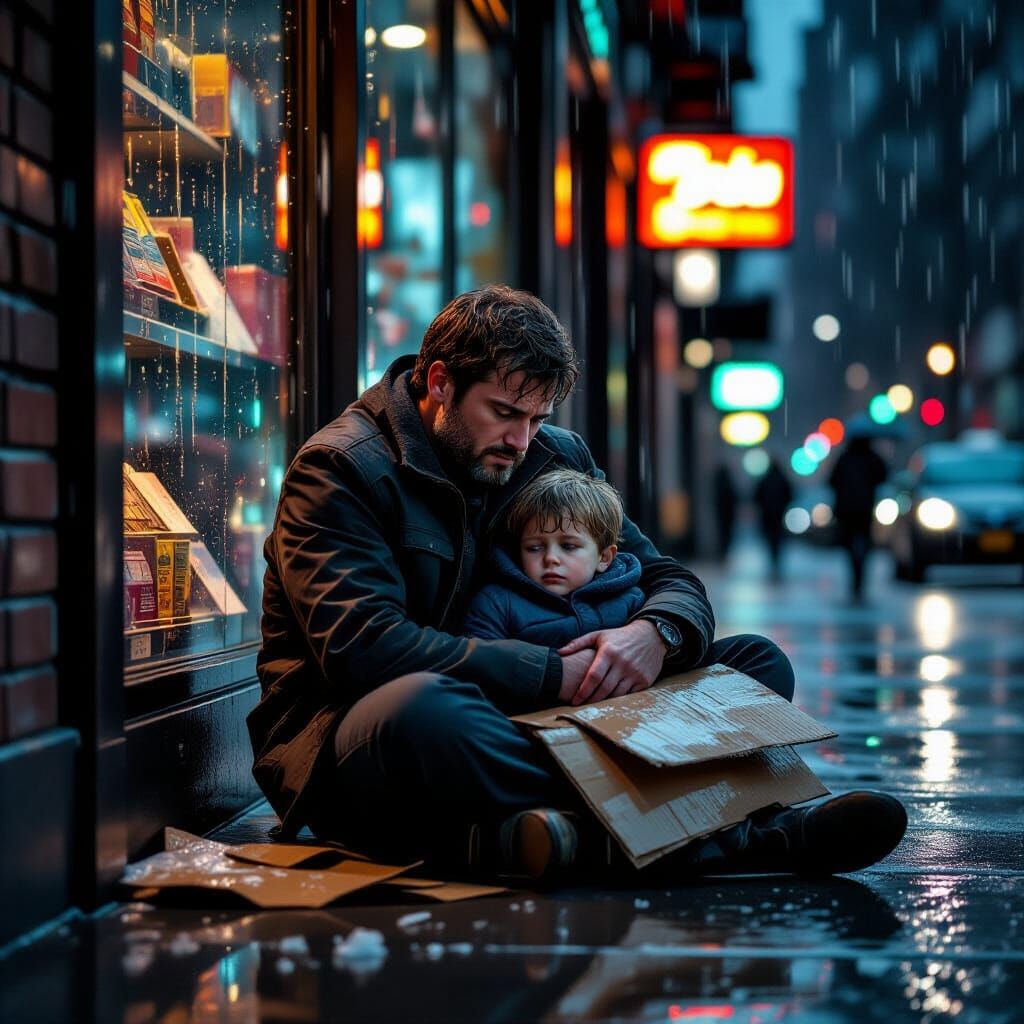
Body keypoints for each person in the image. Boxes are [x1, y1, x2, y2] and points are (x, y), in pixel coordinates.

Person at [248, 285, 906, 880]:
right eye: (505, 412)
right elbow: (365, 650)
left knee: (755, 663)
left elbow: (665, 576)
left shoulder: (553, 455)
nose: (521, 440)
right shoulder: (339, 468)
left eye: (536, 418)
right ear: (440, 382)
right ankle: (750, 839)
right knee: (420, 710)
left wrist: (655, 634)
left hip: (552, 719)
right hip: (357, 739)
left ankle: (540, 838)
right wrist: (551, 675)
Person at [461, 468, 645, 651]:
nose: (550, 558)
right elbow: (480, 659)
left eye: (568, 546)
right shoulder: (497, 603)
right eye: (534, 548)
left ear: (604, 557)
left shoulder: (631, 600)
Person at [828, 435, 889, 599]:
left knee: (850, 547)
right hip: (864, 510)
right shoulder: (872, 458)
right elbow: (884, 475)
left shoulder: (844, 458)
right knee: (864, 545)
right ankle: (860, 581)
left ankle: (855, 582)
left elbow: (831, 481)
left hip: (847, 511)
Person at [753, 456, 793, 579]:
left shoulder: (765, 479)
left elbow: (756, 496)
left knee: (770, 540)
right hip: (778, 516)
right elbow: (790, 495)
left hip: (767, 516)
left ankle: (773, 562)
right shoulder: (783, 479)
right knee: (778, 541)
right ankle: (776, 563)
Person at [712, 463, 739, 561]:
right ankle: (725, 550)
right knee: (727, 533)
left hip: (722, 513)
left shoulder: (718, 484)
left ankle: (723, 551)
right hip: (728, 513)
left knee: (723, 532)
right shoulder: (729, 483)